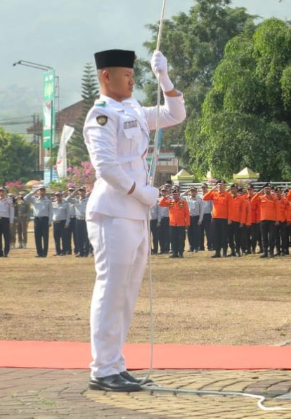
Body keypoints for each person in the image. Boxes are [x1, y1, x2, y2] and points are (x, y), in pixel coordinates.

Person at [83, 48, 185, 392]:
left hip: (135, 214)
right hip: (113, 210)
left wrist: (164, 78)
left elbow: (175, 114)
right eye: (124, 74)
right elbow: (106, 167)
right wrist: (140, 192)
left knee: (127, 293)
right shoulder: (101, 115)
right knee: (111, 290)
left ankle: (115, 363)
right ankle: (101, 368)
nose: (130, 79)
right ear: (105, 77)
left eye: (132, 74)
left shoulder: (136, 111)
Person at [203, 181, 230, 258]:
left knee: (224, 235)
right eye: (218, 185)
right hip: (215, 218)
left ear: (224, 185)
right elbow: (205, 198)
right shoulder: (214, 193)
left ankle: (224, 252)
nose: (220, 186)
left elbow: (230, 207)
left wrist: (230, 218)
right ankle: (217, 252)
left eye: (221, 185)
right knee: (216, 235)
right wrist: (212, 190)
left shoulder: (227, 195)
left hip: (224, 218)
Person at [26, 187, 52, 257]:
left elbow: (50, 211)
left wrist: (50, 221)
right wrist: (32, 192)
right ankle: (39, 252)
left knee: (45, 237)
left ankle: (44, 253)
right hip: (37, 219)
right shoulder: (34, 199)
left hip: (45, 219)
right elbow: (25, 198)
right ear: (38, 191)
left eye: (43, 191)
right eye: (40, 191)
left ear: (45, 192)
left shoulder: (48, 200)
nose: (42, 192)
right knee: (37, 237)